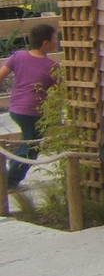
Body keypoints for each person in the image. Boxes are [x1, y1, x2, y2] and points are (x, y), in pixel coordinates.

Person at [1, 22, 60, 189]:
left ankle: (9, 177)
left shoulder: (18, 56)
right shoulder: (52, 67)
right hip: (33, 112)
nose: (57, 42)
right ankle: (9, 181)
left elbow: (1, 75)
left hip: (15, 109)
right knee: (31, 148)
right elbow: (60, 91)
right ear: (45, 43)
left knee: (27, 142)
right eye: (55, 38)